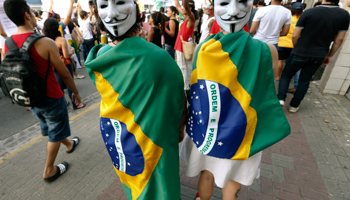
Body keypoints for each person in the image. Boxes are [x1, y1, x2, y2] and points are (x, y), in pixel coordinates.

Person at [179, 0, 290, 199]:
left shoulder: (203, 49)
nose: (232, 10)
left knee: (207, 172)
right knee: (234, 178)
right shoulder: (267, 50)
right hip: (244, 131)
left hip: (210, 130)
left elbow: (196, 91)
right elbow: (265, 89)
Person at [85, 0, 186, 199]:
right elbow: (178, 97)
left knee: (135, 183)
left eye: (120, 2)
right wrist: (180, 128)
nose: (112, 13)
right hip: (158, 138)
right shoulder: (159, 57)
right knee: (161, 184)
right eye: (104, 6)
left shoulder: (100, 57)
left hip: (121, 138)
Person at [2, 0, 81, 182]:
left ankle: (68, 144)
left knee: (50, 126)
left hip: (30, 99)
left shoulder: (7, 44)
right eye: (31, 10)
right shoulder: (45, 42)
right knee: (54, 133)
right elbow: (65, 75)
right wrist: (75, 92)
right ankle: (49, 170)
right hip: (51, 97)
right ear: (27, 15)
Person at [277, 0, 349, 113]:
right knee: (304, 81)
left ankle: (280, 98)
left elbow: (295, 35)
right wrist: (330, 55)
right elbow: (339, 39)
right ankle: (294, 106)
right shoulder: (344, 15)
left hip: (300, 51)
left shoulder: (309, 12)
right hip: (319, 54)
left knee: (286, 75)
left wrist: (296, 47)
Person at [43, 18, 87, 110]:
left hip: (53, 66)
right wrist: (72, 51)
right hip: (65, 64)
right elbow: (66, 55)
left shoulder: (45, 40)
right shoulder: (61, 40)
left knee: (59, 86)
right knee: (70, 85)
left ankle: (62, 103)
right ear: (56, 27)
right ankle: (75, 104)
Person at [276, 2, 303, 93]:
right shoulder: (302, 19)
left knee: (280, 61)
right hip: (295, 45)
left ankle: (277, 79)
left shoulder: (287, 17)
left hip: (282, 43)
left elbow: (280, 30)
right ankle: (296, 85)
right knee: (295, 66)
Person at [174, 0, 197, 92]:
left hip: (182, 47)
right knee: (184, 67)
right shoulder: (186, 17)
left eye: (185, 7)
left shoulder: (191, 18)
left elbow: (185, 7)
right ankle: (186, 87)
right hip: (180, 46)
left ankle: (185, 88)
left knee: (183, 68)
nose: (182, 8)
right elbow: (177, 6)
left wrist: (185, 4)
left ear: (190, 8)